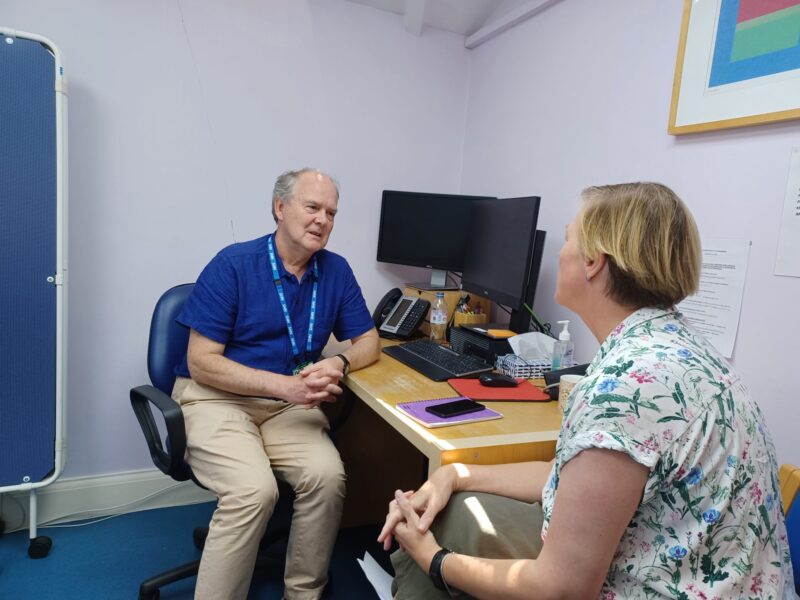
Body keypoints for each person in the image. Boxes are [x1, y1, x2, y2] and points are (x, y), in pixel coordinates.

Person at [380, 182, 794, 599]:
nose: (562, 251)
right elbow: (570, 480)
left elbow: (563, 589)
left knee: (441, 533)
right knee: (459, 507)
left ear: (594, 261)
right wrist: (456, 474)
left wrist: (433, 559)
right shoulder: (676, 348)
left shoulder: (624, 389)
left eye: (569, 236)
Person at [173, 168, 380, 600]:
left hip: (287, 408)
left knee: (327, 476)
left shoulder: (335, 271)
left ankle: (303, 593)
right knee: (253, 491)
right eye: (312, 208)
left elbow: (370, 341)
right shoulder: (233, 264)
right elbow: (202, 363)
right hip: (217, 400)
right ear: (280, 208)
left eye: (331, 212)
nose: (323, 220)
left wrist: (340, 362)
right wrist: (285, 387)